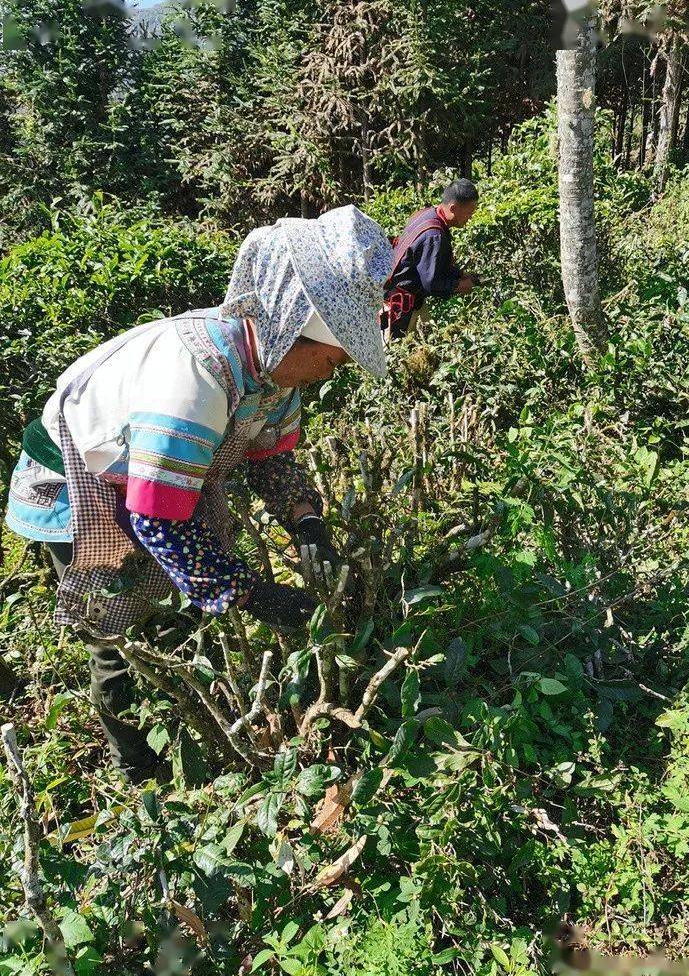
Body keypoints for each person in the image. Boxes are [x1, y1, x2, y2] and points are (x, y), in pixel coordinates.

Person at [6, 205, 393, 783]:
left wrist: (308, 524)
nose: (331, 371)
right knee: (117, 634)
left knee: (175, 610)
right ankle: (136, 768)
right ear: (293, 326)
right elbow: (159, 522)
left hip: (158, 483)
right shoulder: (195, 373)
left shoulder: (276, 372)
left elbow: (272, 460)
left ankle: (188, 729)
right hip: (74, 483)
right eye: (333, 357)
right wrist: (251, 593)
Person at [382, 177, 480, 339]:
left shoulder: (426, 214)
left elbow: (425, 262)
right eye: (469, 212)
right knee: (396, 354)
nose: (470, 217)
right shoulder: (434, 236)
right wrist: (459, 286)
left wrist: (459, 274)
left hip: (408, 298)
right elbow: (432, 283)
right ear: (453, 208)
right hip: (401, 307)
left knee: (428, 344)